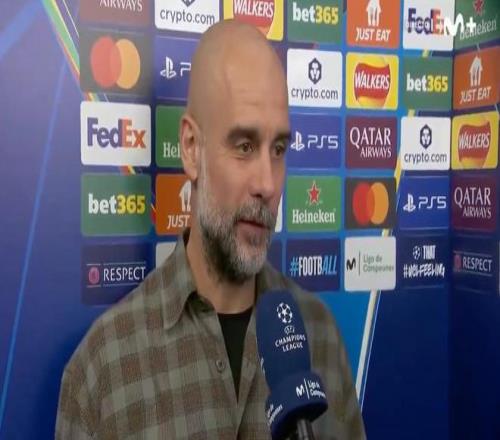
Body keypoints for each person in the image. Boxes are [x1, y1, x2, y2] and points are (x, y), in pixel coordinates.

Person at [55, 20, 366, 439]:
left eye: (278, 149)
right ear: (191, 149)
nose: (267, 184)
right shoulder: (102, 371)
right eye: (244, 146)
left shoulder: (320, 335)